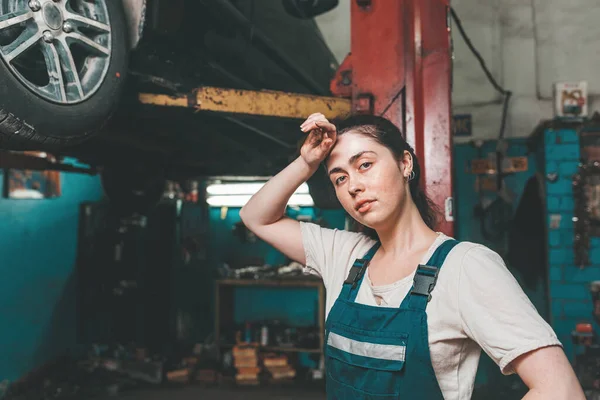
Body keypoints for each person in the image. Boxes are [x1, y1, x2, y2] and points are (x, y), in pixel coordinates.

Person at [239, 113, 585, 399]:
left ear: (405, 163)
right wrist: (306, 161)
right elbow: (256, 216)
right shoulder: (344, 256)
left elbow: (561, 389)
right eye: (340, 178)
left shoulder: (465, 267)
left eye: (365, 165)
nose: (353, 186)